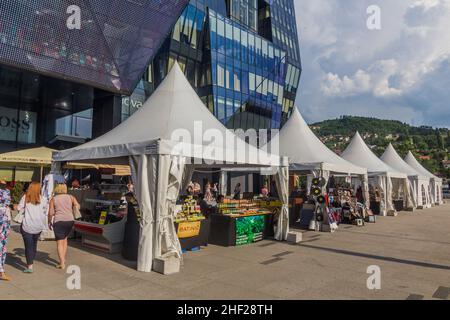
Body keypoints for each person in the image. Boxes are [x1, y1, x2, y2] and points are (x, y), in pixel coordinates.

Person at [48, 183, 80, 269]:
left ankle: (62, 263)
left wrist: (49, 221)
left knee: (59, 242)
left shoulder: (54, 199)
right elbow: (78, 206)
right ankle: (63, 258)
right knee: (65, 240)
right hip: (70, 220)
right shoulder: (71, 197)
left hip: (59, 221)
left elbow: (51, 213)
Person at [18, 182, 48, 274]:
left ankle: (30, 266)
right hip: (38, 226)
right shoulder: (43, 199)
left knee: (28, 246)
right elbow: (46, 210)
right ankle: (31, 260)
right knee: (34, 244)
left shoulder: (25, 197)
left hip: (27, 225)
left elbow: (19, 208)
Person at [0, 180, 12, 281]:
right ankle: (1, 272)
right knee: (1, 247)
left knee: (2, 247)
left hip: (4, 224)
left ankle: (1, 271)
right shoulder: (6, 192)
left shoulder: (7, 191)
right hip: (3, 223)